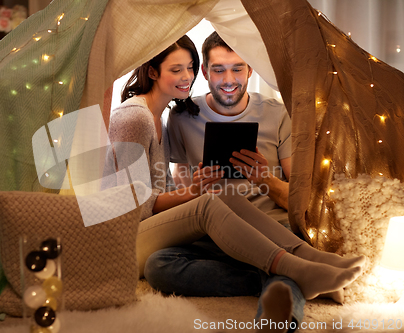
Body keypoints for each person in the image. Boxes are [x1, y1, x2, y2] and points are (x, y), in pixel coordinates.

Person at [108, 34, 364, 332]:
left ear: (250, 70)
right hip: (180, 230)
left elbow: (303, 198)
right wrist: (193, 189)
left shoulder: (274, 113)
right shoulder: (163, 117)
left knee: (220, 201)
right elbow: (131, 203)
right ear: (207, 72)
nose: (187, 77)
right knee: (160, 265)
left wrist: (264, 178)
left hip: (267, 225)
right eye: (177, 70)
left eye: (188, 68)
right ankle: (296, 269)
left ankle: (292, 281)